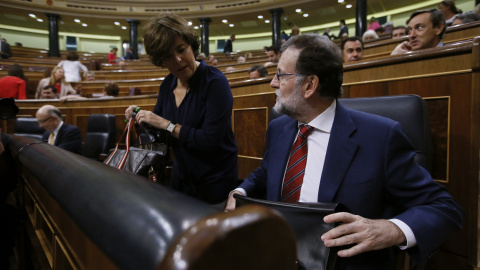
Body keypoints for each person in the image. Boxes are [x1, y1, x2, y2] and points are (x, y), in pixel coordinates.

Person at [224, 34, 464, 268]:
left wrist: (392, 229)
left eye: (281, 75)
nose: (273, 83)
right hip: (278, 254)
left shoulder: (380, 137)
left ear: (309, 85)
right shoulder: (279, 127)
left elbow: (444, 207)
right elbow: (266, 171)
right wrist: (241, 190)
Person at [125, 13, 238, 204]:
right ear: (160, 61)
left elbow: (210, 140)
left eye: (181, 49)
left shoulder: (215, 82)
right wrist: (140, 116)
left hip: (214, 180)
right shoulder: (167, 84)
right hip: (181, 177)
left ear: (191, 45)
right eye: (168, 56)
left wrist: (165, 124)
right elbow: (160, 132)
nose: (177, 60)